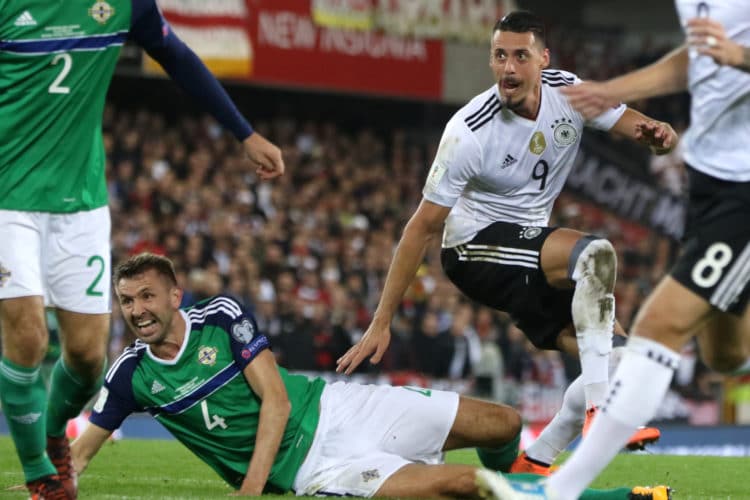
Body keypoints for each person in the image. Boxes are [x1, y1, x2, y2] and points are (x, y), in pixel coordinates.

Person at [336, 10, 674, 474]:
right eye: (500, 56)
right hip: (473, 250)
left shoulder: (567, 93)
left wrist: (656, 136)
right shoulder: (468, 131)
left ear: (542, 60)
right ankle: (602, 410)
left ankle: (535, 460)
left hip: (529, 252)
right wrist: (382, 320)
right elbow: (420, 227)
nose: (509, 68)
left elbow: (631, 124)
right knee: (594, 254)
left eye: (520, 56)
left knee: (622, 362)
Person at [70, 252, 671, 500]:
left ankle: (529, 484)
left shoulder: (222, 316)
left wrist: (247, 494)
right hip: (315, 467)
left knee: (503, 422)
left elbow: (275, 404)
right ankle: (619, 497)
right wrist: (50, 482)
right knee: (467, 486)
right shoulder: (130, 375)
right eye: (126, 301)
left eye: (146, 296)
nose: (137, 310)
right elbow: (84, 452)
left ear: (174, 295)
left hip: (337, 408)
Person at [0, 3, 284, 499]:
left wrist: (244, 131)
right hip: (7, 198)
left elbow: (176, 56)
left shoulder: (124, 5)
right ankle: (43, 476)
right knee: (26, 338)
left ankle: (53, 433)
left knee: (88, 359)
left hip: (80, 205)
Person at [486, 2, 749, 499]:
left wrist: (740, 55)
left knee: (658, 326)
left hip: (746, 186)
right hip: (711, 181)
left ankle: (557, 488)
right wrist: (613, 91)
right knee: (726, 353)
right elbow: (699, 58)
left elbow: (727, 55)